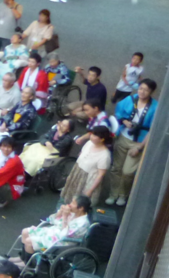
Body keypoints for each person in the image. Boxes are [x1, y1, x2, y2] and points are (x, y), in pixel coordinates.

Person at [107, 78, 158, 206]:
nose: (142, 92)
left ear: (151, 91)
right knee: (116, 168)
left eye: (146, 90)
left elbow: (153, 129)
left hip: (138, 142)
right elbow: (118, 112)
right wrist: (124, 121)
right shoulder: (130, 99)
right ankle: (113, 194)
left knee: (128, 172)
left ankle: (123, 195)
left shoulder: (155, 107)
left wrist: (140, 147)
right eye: (141, 88)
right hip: (123, 137)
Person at [18, 196, 92, 256]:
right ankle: (22, 258)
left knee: (29, 241)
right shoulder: (73, 213)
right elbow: (52, 220)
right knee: (25, 232)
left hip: (61, 241)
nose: (70, 204)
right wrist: (60, 212)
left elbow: (63, 235)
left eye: (73, 203)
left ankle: (26, 263)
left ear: (81, 208)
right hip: (53, 232)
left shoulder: (82, 223)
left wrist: (65, 217)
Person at [61, 125, 112, 206]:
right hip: (78, 171)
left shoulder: (105, 155)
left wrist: (90, 191)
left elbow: (100, 175)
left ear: (102, 139)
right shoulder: (89, 143)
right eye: (92, 134)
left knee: (79, 203)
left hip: (88, 179)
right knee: (69, 197)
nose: (91, 136)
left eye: (95, 135)